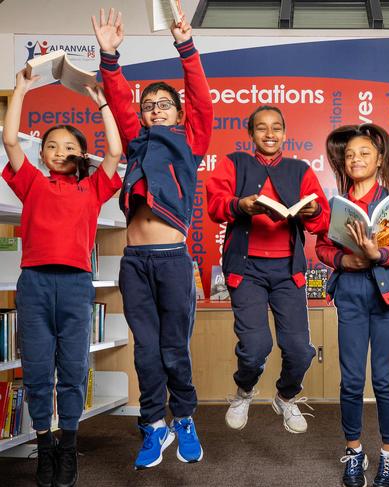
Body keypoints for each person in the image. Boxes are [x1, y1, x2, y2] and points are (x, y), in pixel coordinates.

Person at [92, 7, 213, 468]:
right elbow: (120, 100)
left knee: (173, 349)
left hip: (172, 260)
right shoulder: (137, 140)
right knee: (146, 351)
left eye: (164, 104)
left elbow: (201, 99)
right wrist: (109, 55)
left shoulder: (190, 140)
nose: (154, 109)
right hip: (135, 262)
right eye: (149, 106)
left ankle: (183, 417)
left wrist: (185, 44)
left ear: (178, 114)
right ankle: (153, 426)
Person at [2, 70, 121, 487]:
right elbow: (11, 140)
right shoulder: (32, 183)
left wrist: (101, 101)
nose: (58, 151)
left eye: (68, 146)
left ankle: (68, 444)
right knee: (36, 371)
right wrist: (20, 90)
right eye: (51, 145)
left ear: (80, 154)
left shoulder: (92, 189)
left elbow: (115, 152)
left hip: (74, 286)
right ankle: (44, 443)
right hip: (34, 284)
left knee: (71, 369)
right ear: (42, 155)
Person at [206, 105, 330, 434]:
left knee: (300, 350)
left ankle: (286, 397)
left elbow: (323, 220)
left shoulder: (299, 169)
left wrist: (313, 209)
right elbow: (215, 205)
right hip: (246, 270)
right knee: (255, 346)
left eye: (276, 128)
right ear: (251, 134)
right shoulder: (235, 163)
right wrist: (239, 204)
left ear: (285, 134)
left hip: (288, 271)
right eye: (261, 128)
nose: (270, 133)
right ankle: (244, 392)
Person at [316, 123, 389, 487]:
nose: (356, 159)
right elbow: (323, 248)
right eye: (350, 154)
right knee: (351, 380)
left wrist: (379, 253)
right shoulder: (337, 204)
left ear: (379, 159)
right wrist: (345, 261)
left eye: (365, 154)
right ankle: (354, 451)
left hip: (386, 296)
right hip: (351, 294)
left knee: (385, 380)